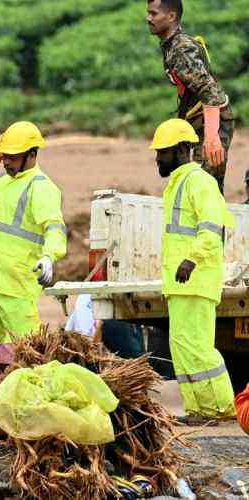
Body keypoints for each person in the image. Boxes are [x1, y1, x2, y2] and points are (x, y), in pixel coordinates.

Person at [150, 117, 235, 424]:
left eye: (164, 152)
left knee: (199, 348)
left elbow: (211, 228)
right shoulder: (177, 184)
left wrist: (191, 260)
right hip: (182, 283)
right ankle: (200, 409)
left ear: (183, 149)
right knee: (183, 347)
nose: (158, 158)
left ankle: (224, 409)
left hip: (197, 278)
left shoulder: (199, 182)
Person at [0, 121, 67, 357]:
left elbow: (54, 226)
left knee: (28, 353)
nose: (7, 161)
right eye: (5, 156)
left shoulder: (41, 187)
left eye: (13, 156)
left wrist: (50, 256)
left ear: (32, 154)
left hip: (16, 288)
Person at [147, 0, 234, 193]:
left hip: (213, 120)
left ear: (171, 16)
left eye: (154, 14)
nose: (148, 19)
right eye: (149, 13)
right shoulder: (171, 45)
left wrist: (212, 138)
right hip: (196, 119)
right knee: (190, 179)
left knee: (204, 184)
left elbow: (211, 92)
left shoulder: (180, 49)